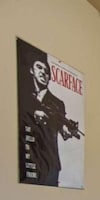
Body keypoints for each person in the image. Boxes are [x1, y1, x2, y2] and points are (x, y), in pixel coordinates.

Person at [18, 47, 73, 186]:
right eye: (39, 68)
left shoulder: (57, 104)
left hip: (50, 162)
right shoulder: (25, 98)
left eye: (46, 71)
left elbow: (64, 131)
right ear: (32, 71)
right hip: (27, 160)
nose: (43, 72)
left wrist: (68, 130)